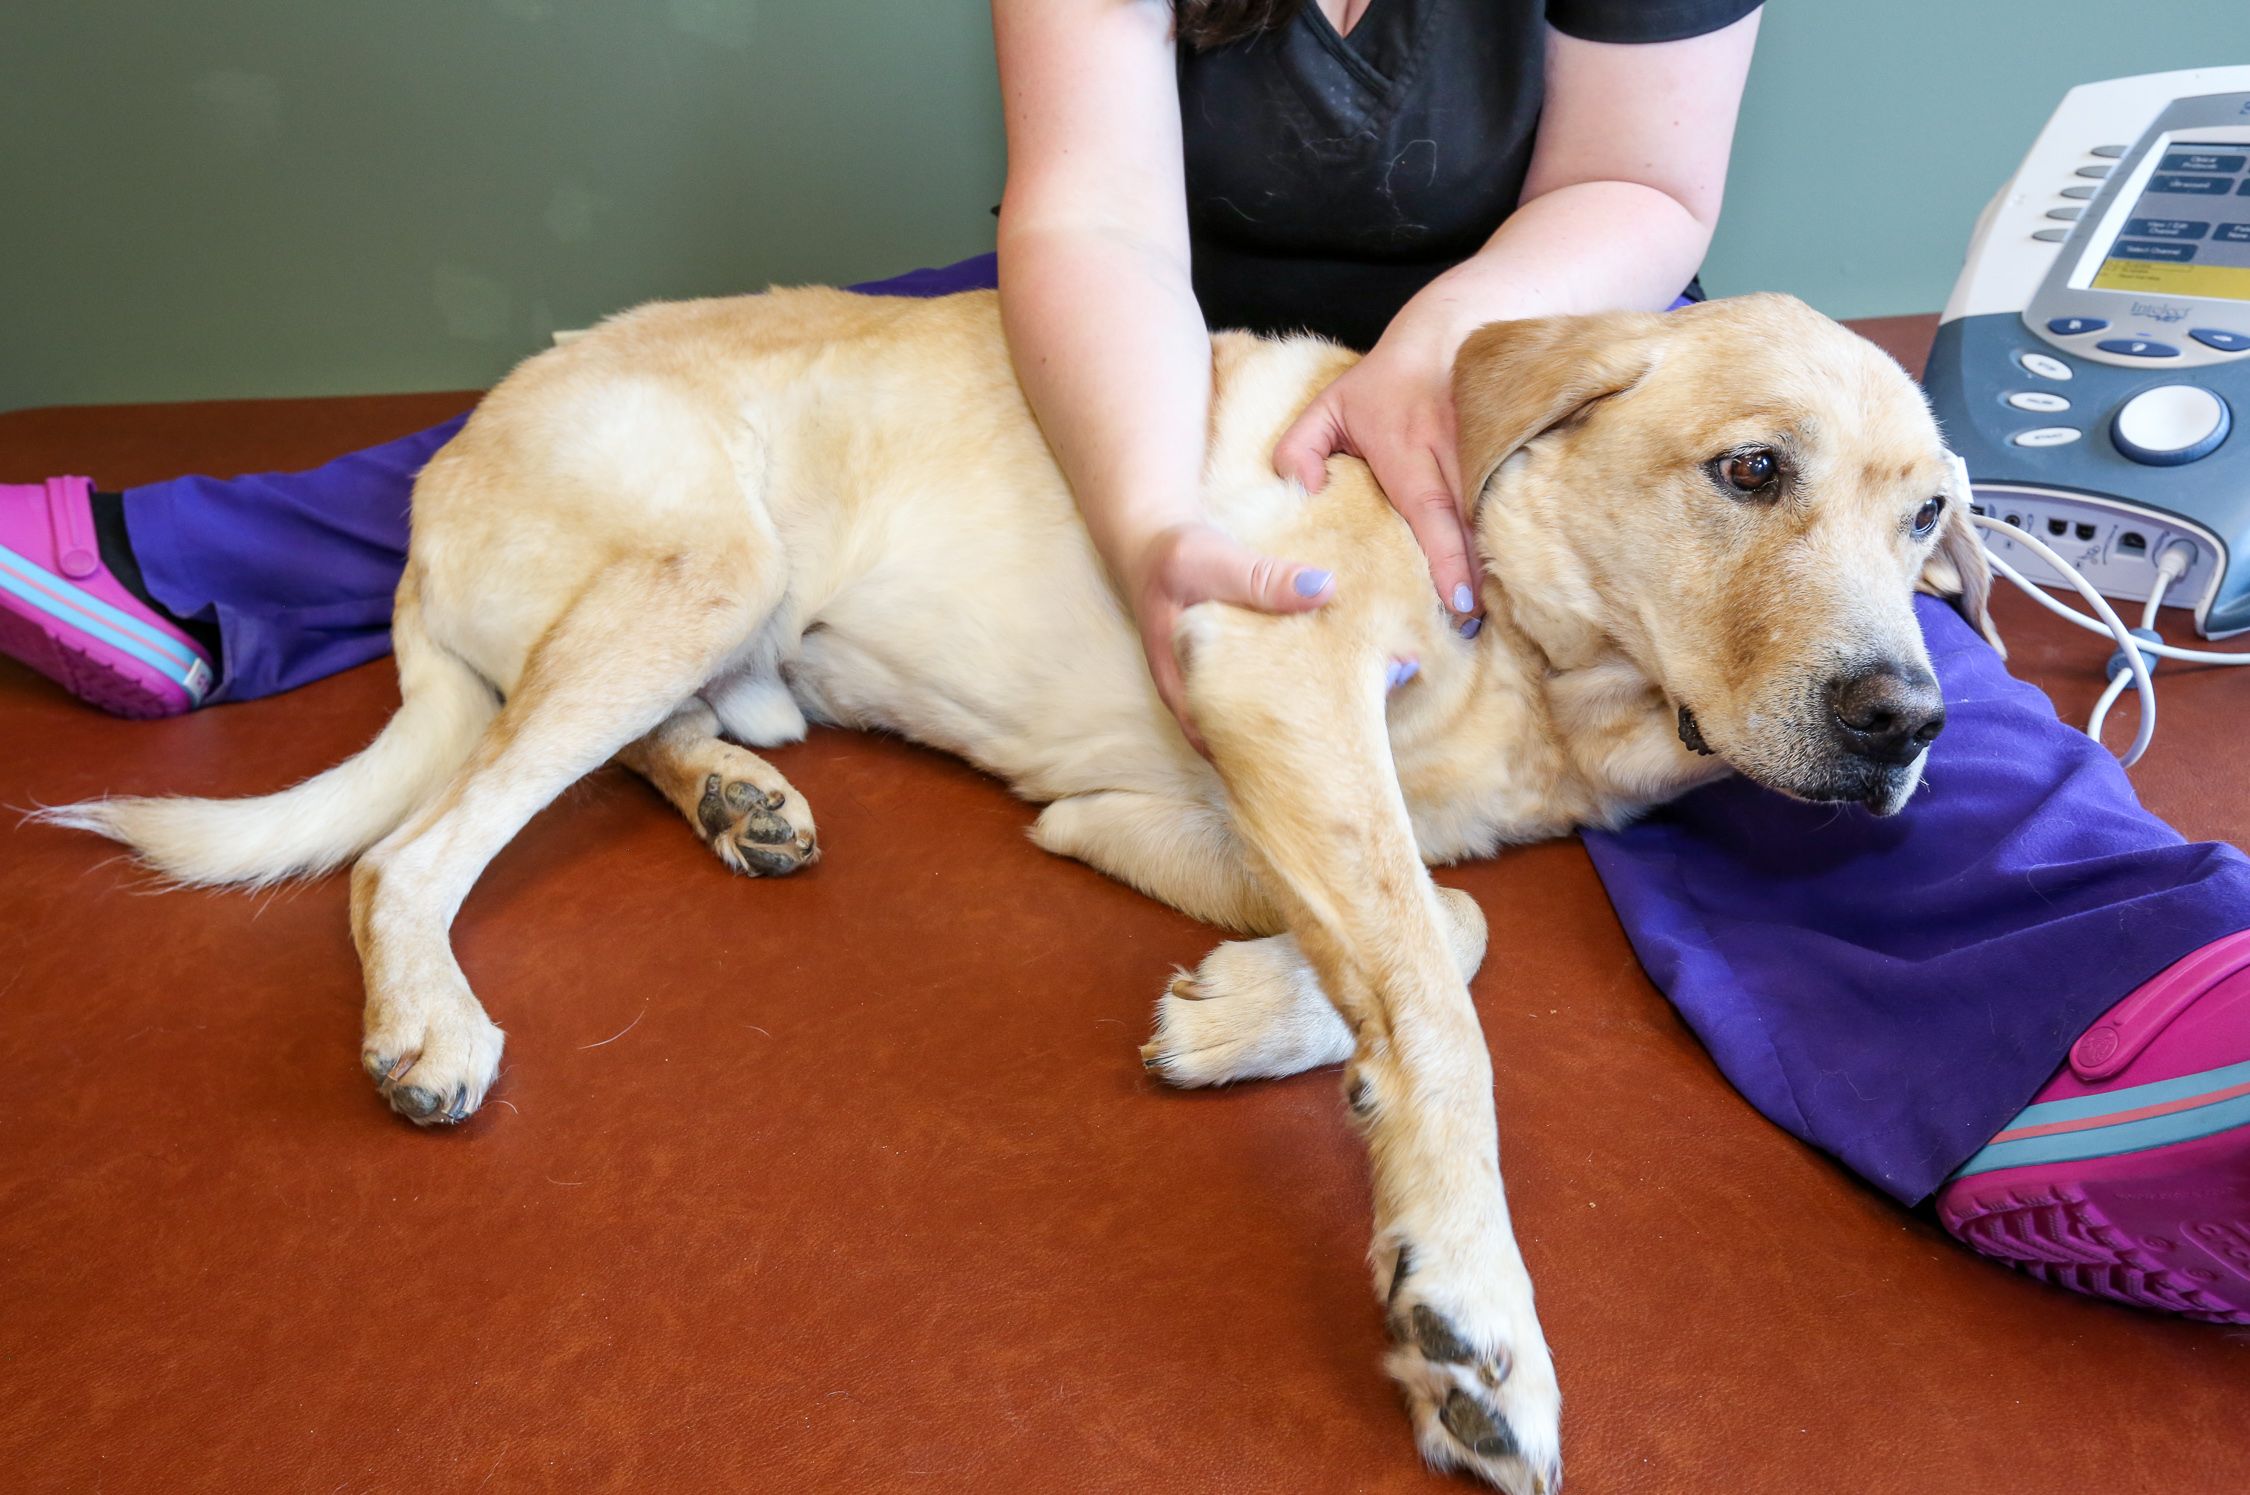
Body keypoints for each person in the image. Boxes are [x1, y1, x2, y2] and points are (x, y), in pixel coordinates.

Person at [4, 1, 2245, 1320]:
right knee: (686, 407)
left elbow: (1646, 192)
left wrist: (1441, 383)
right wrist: (1161, 522)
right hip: (1148, 310)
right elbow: (1080, 214)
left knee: (1849, 678)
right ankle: (151, 557)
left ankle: (2138, 989)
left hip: (1509, 330)